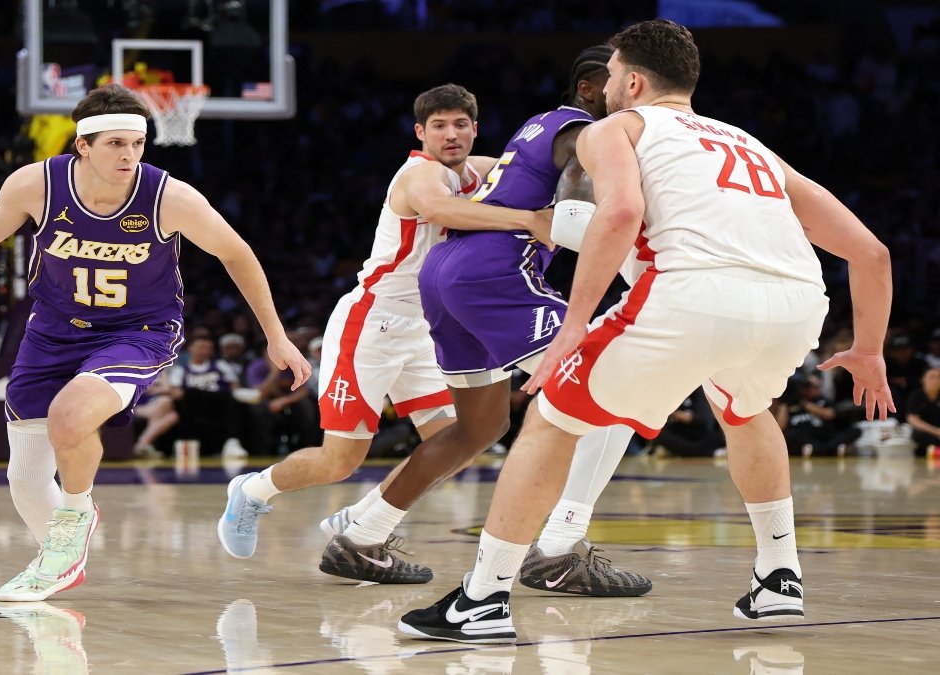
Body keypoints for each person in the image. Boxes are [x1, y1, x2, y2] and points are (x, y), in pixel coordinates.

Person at [399, 19, 894, 644]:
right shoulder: (750, 143)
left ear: (631, 80)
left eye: (608, 76)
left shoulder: (617, 128)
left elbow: (622, 212)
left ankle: (483, 599)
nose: (602, 87)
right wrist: (869, 349)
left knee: (552, 416)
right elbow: (871, 253)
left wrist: (573, 326)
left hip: (690, 293)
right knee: (744, 409)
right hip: (795, 304)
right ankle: (779, 578)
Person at [0, 84, 310, 602]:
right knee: (23, 478)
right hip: (53, 329)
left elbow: (237, 253)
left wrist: (276, 335)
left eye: (137, 143)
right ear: (82, 146)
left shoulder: (167, 197)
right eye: (115, 143)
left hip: (139, 332)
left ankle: (74, 517)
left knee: (71, 415)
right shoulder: (36, 185)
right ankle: (61, 550)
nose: (130, 154)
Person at [216, 82, 583, 585]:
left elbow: (542, 164)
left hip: (430, 327)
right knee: (338, 460)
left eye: (460, 124)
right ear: (420, 132)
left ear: (474, 129)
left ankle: (363, 523)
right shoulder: (419, 174)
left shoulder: (482, 169)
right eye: (439, 126)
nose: (450, 134)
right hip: (373, 322)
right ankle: (254, 491)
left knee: (455, 441)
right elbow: (441, 211)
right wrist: (527, 219)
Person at [905, 368, 940, 453]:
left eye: (938, 377)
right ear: (923, 380)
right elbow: (913, 419)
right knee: (918, 435)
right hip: (928, 432)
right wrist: (936, 431)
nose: (936, 380)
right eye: (932, 377)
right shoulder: (916, 396)